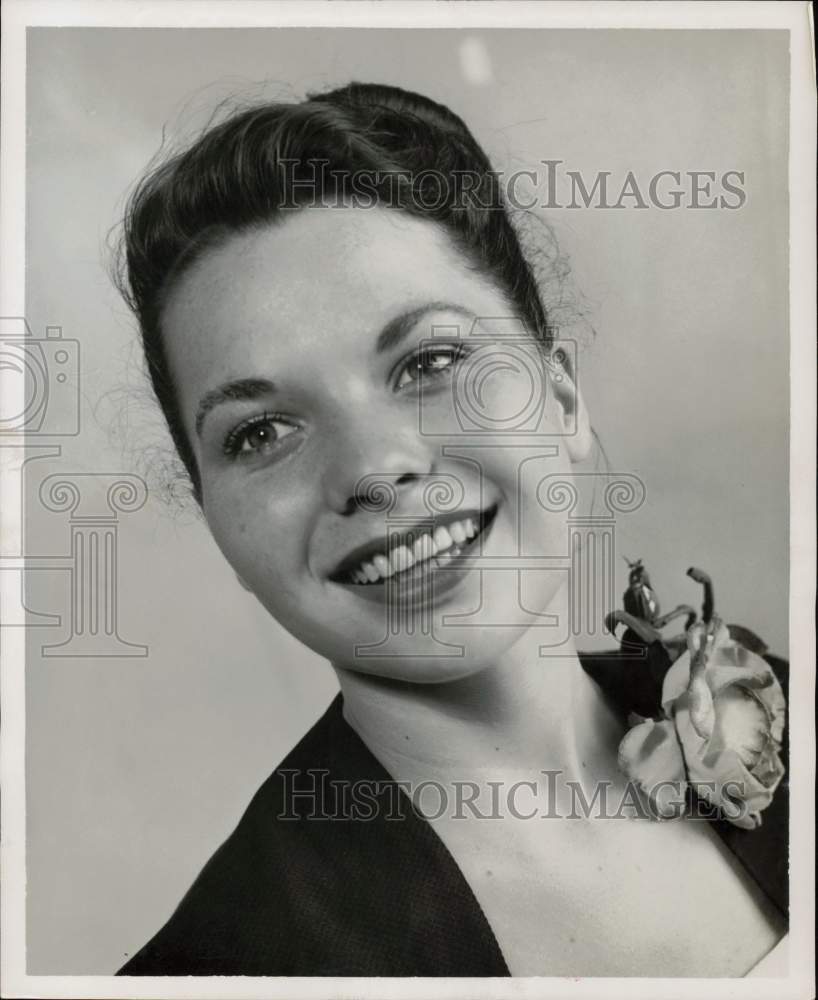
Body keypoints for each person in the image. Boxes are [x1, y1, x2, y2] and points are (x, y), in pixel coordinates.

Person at [114, 82, 787, 977]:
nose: (370, 468)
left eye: (430, 361)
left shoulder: (781, 709)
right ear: (214, 518)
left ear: (560, 396)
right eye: (260, 434)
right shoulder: (216, 970)